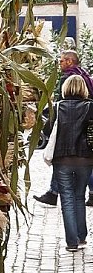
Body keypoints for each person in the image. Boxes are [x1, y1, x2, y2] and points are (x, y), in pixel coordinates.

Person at [34, 50, 93, 206]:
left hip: (69, 122)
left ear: (69, 61)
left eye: (61, 61)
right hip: (85, 123)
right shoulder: (84, 75)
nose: (59, 64)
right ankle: (89, 194)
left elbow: (62, 101)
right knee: (87, 159)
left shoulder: (69, 78)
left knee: (62, 157)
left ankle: (53, 193)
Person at [43, 74, 93, 251]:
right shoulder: (90, 107)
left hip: (62, 159)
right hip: (86, 159)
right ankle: (81, 236)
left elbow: (46, 129)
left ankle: (72, 242)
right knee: (79, 195)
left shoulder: (57, 107)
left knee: (67, 198)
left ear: (65, 88)